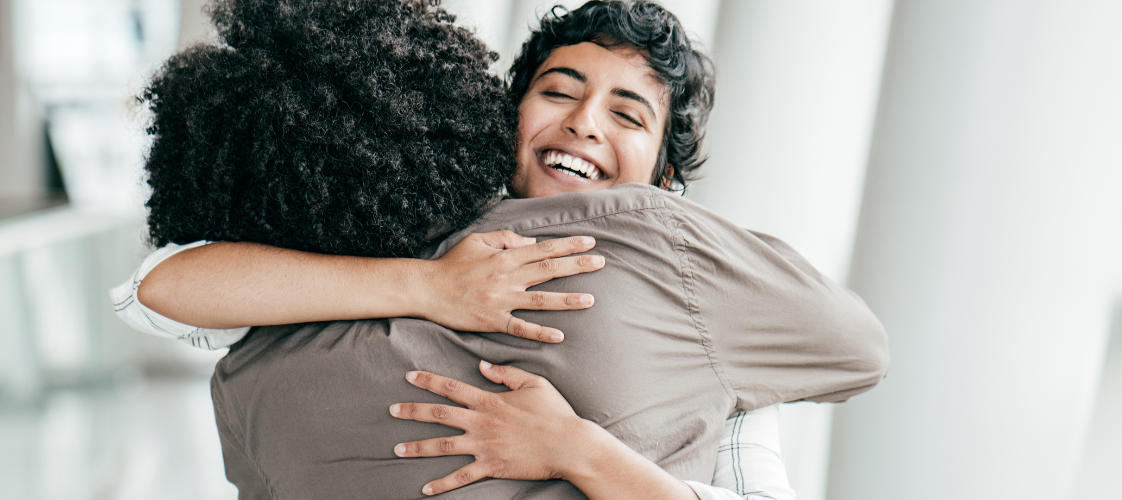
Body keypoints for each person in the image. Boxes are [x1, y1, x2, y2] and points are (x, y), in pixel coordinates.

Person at [112, 1, 888, 499]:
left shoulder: (687, 289)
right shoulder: (391, 220)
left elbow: (854, 356)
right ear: (504, 114)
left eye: (628, 114)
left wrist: (573, 449)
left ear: (663, 170)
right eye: (558, 91)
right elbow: (163, 288)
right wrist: (427, 286)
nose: (585, 123)